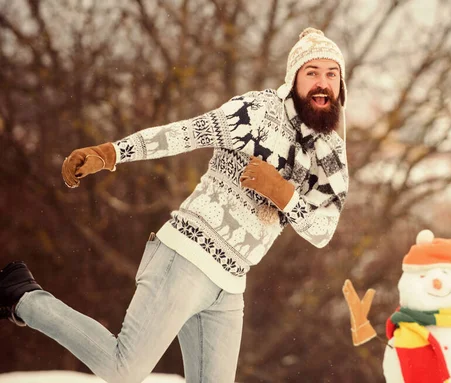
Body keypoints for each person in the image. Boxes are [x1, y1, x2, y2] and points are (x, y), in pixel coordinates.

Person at [0, 27, 349, 383]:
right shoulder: (257, 112)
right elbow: (184, 134)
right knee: (125, 370)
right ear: (294, 79)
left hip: (230, 283)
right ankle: (24, 296)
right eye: (312, 72)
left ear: (340, 84)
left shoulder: (330, 154)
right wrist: (111, 153)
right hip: (187, 256)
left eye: (331, 74)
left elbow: (323, 231)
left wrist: (284, 194)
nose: (322, 83)